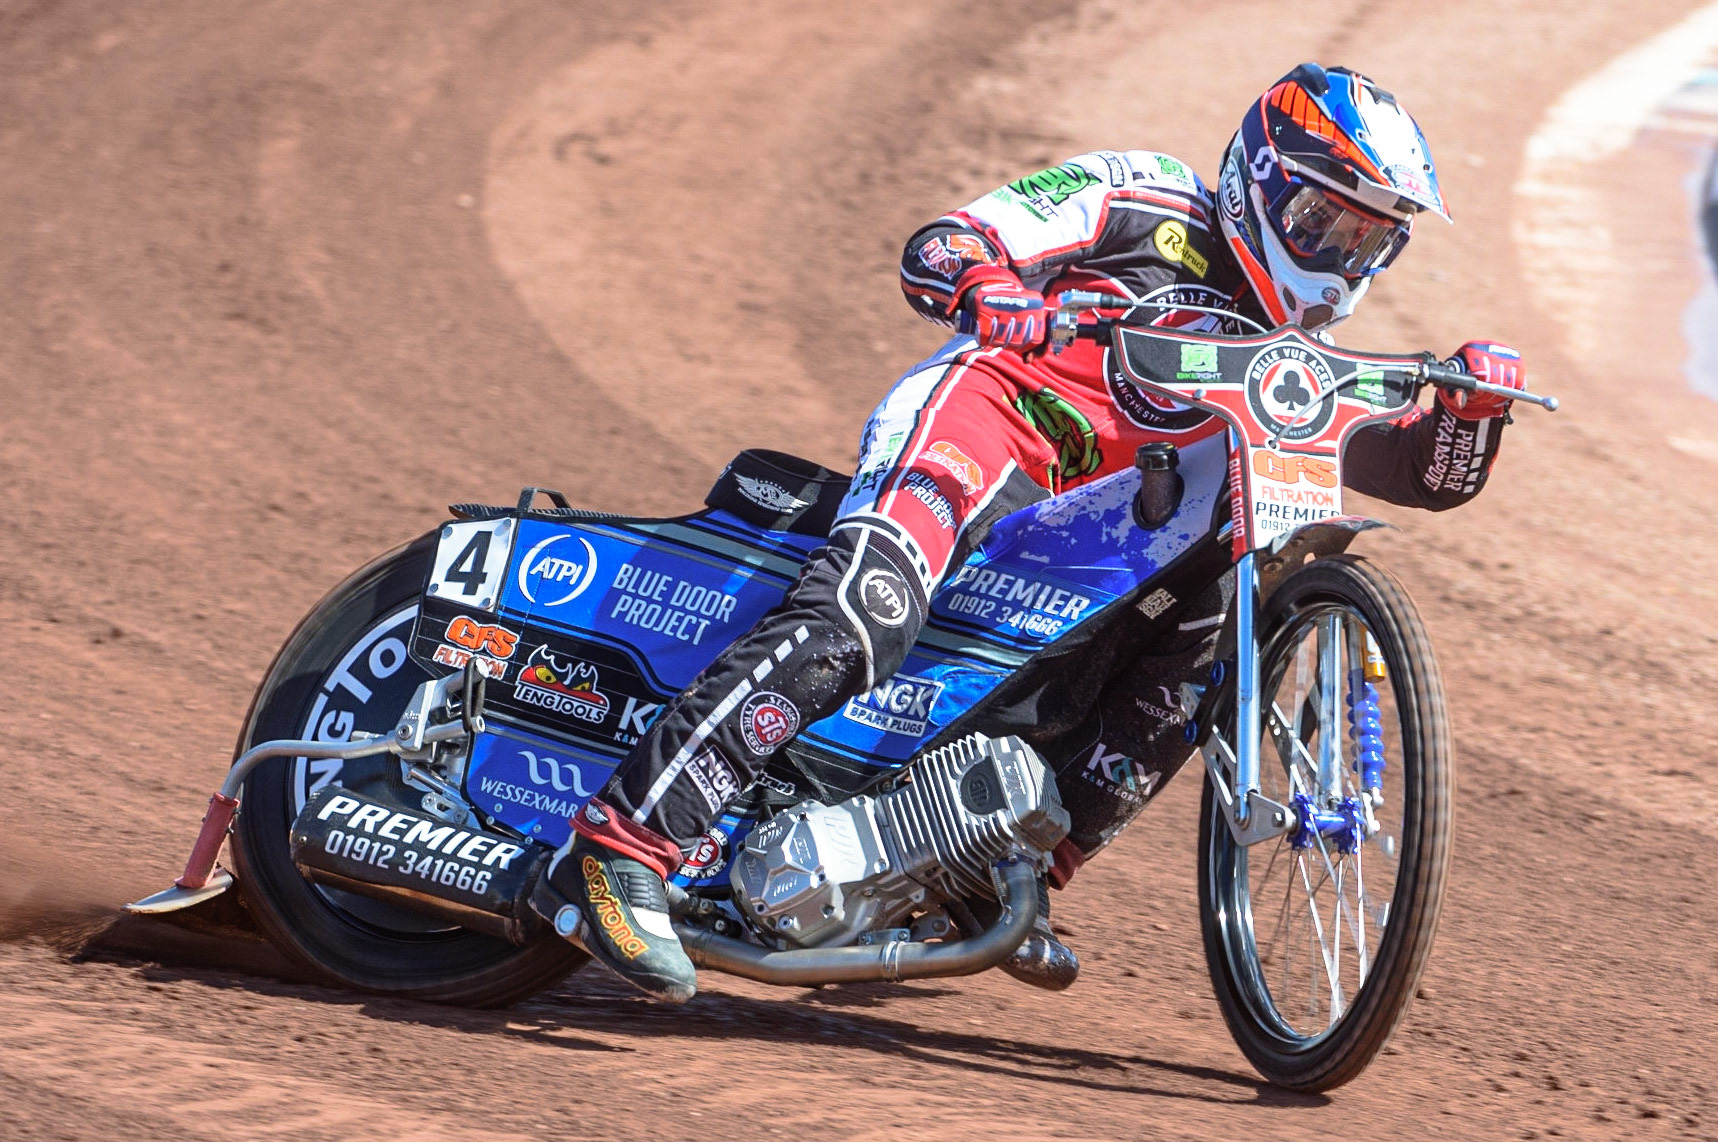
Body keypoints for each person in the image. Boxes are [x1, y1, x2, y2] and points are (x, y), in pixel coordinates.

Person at [530, 62, 1527, 1003]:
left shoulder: (1290, 357)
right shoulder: (1145, 196)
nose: (1338, 259)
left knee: (1221, 599)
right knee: (863, 611)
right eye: (1321, 221)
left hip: (1077, 528)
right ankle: (624, 844)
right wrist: (990, 290)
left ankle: (1002, 862)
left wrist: (1467, 415)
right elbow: (941, 244)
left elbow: (1410, 471)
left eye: (1363, 242)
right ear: (1258, 182)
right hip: (980, 425)